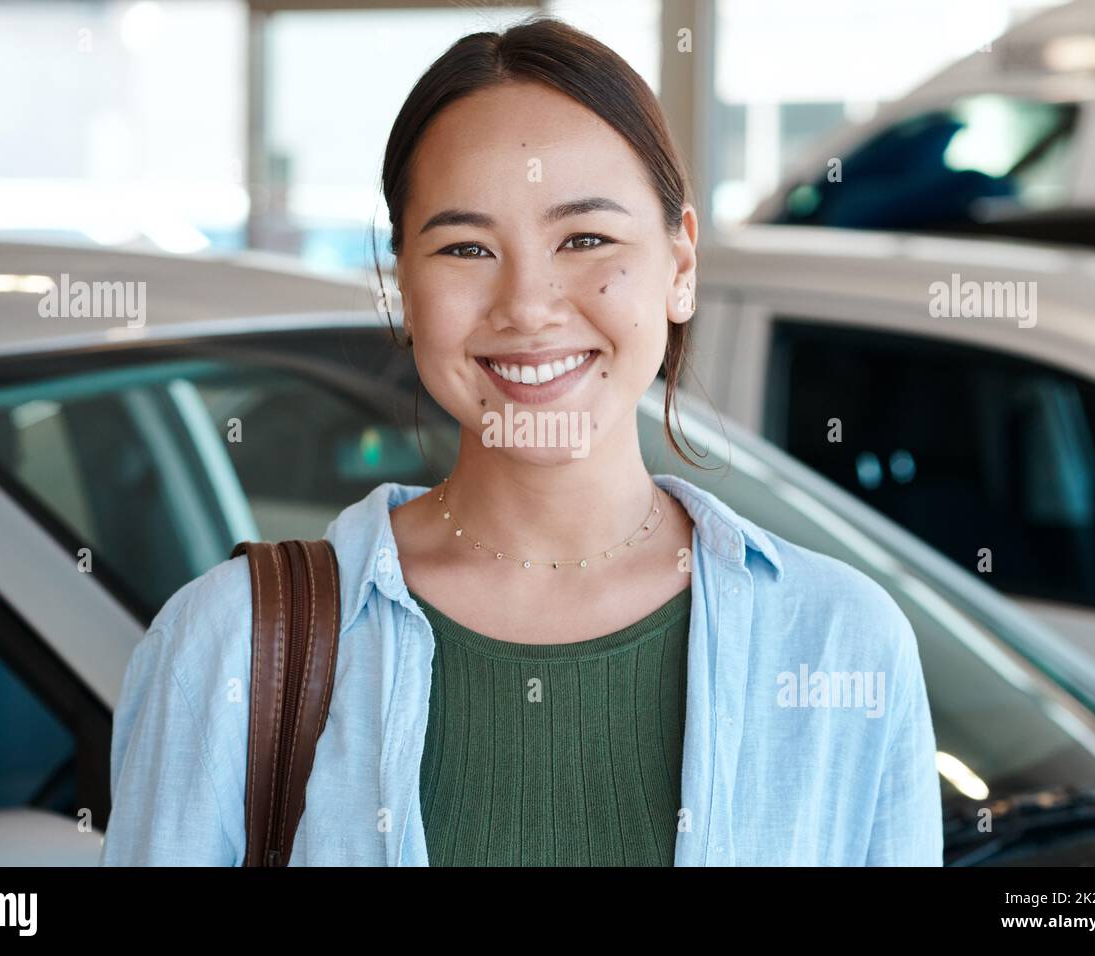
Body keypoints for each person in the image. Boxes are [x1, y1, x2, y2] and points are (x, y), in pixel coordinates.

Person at [100, 15, 942, 867]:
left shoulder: (842, 644)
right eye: (467, 247)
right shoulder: (227, 650)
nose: (528, 305)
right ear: (401, 291)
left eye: (585, 239)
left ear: (680, 265)